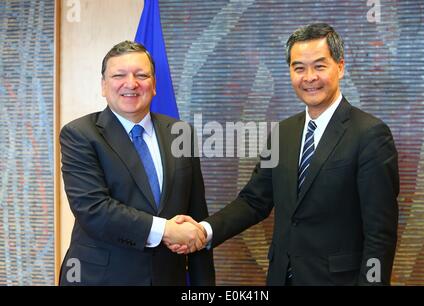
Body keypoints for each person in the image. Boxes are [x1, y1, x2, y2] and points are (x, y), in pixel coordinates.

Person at [171, 23, 399, 285]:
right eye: (299, 68)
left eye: (319, 66)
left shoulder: (370, 134)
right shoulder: (283, 133)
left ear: (340, 67)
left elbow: (380, 233)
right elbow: (254, 201)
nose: (309, 77)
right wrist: (204, 230)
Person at [59, 41, 215, 286]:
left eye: (141, 75)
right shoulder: (80, 134)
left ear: (153, 85)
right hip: (101, 278)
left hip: (167, 277)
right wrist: (165, 230)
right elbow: (93, 209)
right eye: (119, 75)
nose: (131, 83)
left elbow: (195, 213)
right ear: (103, 85)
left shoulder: (181, 133)